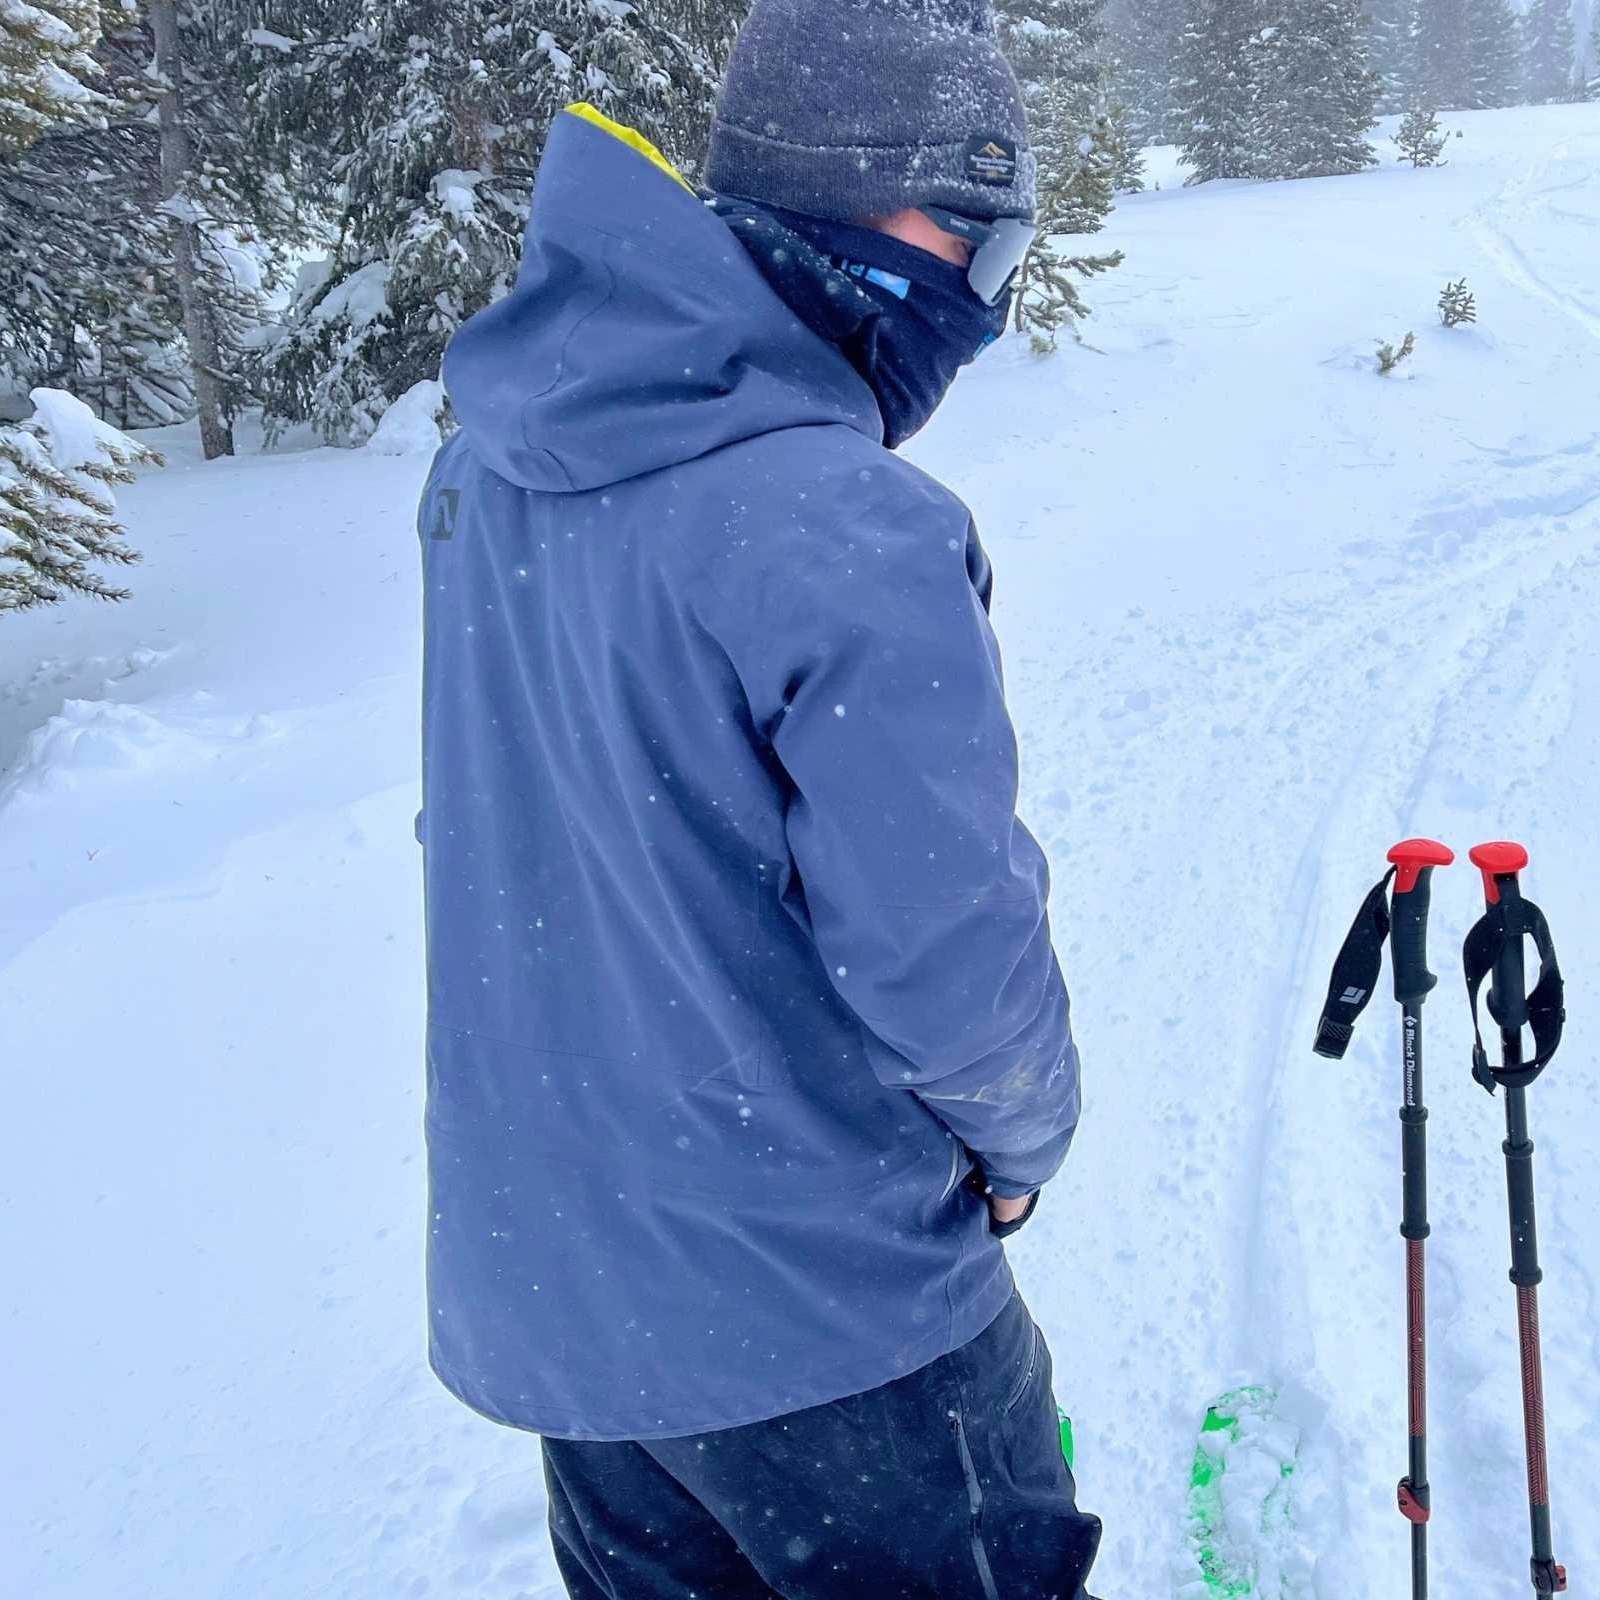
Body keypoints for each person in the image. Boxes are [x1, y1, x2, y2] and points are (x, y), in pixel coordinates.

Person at [413, 2, 1099, 1595]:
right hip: (832, 1323)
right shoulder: (844, 522)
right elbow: (947, 947)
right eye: (979, 245)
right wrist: (1022, 1138)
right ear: (857, 202)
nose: (983, 304)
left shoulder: (490, 468)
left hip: (575, 1322)